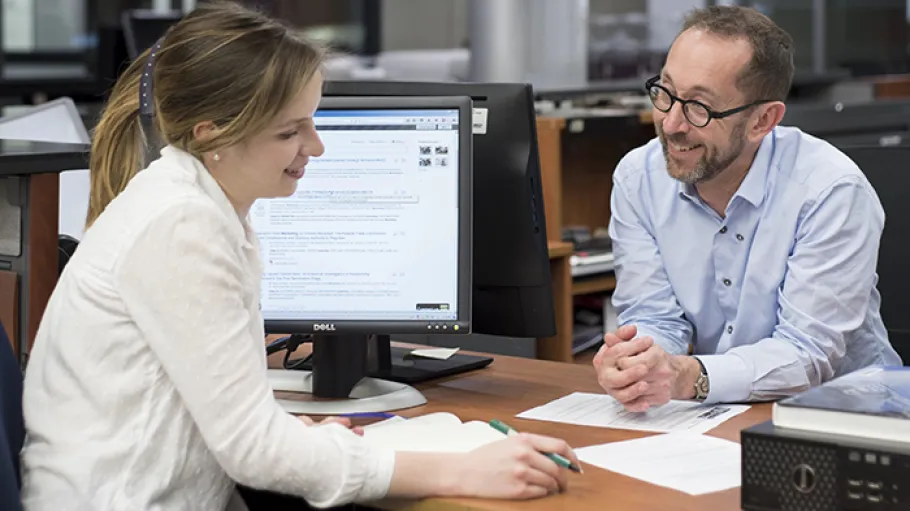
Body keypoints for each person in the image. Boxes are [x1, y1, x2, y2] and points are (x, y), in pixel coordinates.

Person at [19, 2, 579, 510]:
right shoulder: (181, 225)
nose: (316, 146)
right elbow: (253, 452)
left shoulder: (198, 204)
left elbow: (232, 424)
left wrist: (305, 443)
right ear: (211, 134)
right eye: (291, 131)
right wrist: (459, 471)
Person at [594, 5, 902, 413]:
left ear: (763, 121)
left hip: (843, 416)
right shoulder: (639, 178)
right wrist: (639, 362)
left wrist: (689, 376)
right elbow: (654, 318)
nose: (670, 124)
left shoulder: (830, 191)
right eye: (665, 93)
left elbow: (807, 353)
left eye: (699, 107)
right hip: (713, 414)